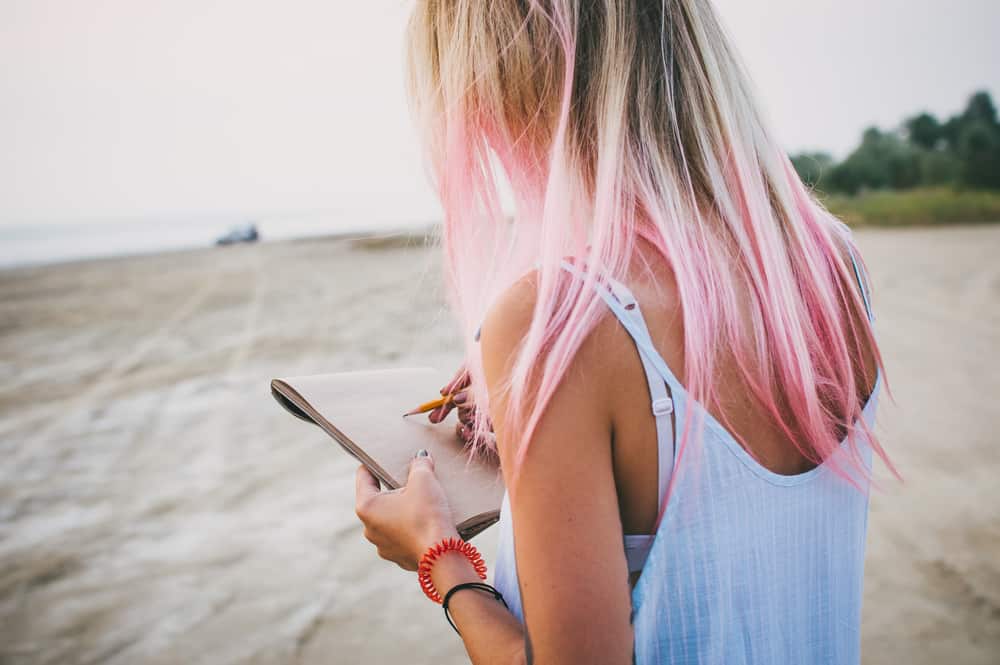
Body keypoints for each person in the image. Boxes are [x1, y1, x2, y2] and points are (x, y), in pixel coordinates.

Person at [352, 1, 894, 663]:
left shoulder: (561, 322)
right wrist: (533, 403)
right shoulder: (830, 261)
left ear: (502, 91)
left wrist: (439, 554)